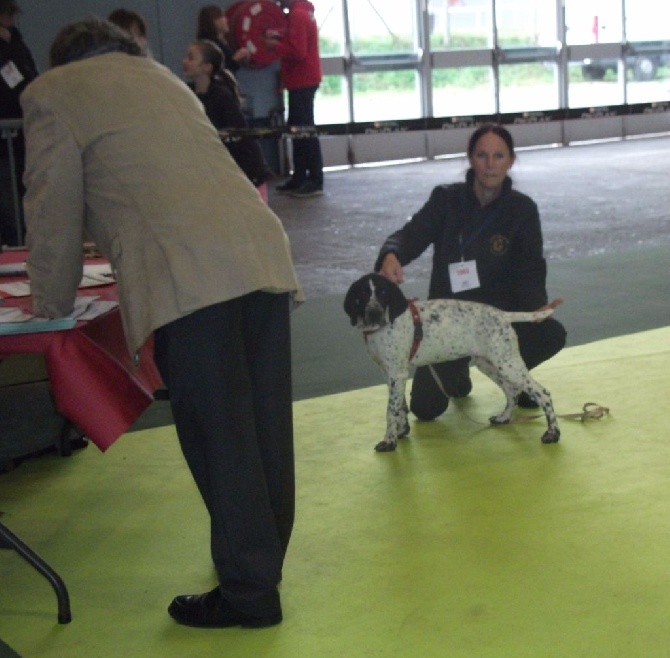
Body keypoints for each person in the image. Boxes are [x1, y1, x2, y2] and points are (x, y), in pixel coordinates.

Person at [21, 17, 302, 629]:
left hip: (187, 276)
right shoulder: (164, 80)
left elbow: (51, 204)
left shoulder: (53, 93)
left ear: (60, 59)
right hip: (260, 254)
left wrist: (48, 298)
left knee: (217, 436)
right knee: (261, 428)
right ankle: (260, 563)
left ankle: (249, 593)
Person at [375, 123, 567, 421]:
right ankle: (461, 373)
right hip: (446, 324)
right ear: (471, 158)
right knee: (425, 409)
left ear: (511, 161)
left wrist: (536, 306)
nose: (490, 165)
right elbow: (410, 234)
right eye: (482, 155)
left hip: (495, 318)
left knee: (550, 333)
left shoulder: (523, 209)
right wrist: (392, 254)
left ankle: (514, 377)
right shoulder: (445, 200)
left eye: (499, 156)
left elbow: (530, 267)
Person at [182, 39, 272, 201]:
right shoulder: (188, 94)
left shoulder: (221, 96)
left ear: (206, 67)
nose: (184, 61)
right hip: (221, 171)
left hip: (246, 171)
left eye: (191, 58)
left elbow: (239, 137)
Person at [265, 0, 324, 198]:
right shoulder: (303, 13)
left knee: (304, 130)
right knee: (299, 127)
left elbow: (298, 51)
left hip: (302, 80)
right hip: (303, 79)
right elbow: (298, 43)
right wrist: (281, 38)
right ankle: (300, 177)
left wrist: (275, 45)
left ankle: (314, 180)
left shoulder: (297, 15)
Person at [0, 0, 37, 246]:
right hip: (4, 145)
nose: (10, 22)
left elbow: (29, 82)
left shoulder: (18, 43)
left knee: (24, 204)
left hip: (22, 141)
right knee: (9, 208)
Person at [196, 4, 249, 75]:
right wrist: (236, 58)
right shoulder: (211, 46)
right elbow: (218, 71)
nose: (226, 20)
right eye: (223, 16)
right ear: (215, 21)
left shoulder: (221, 42)